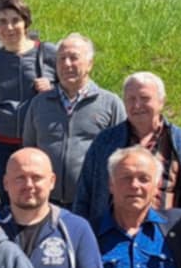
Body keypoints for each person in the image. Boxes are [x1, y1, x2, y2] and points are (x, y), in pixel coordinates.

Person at [73, 72, 181, 223]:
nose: (137, 105)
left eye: (145, 98)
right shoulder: (105, 142)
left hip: (170, 234)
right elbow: (84, 194)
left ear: (161, 101)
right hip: (114, 233)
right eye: (131, 99)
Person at [20, 34, 125, 208]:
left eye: (74, 58)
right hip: (47, 202)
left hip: (93, 202)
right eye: (61, 59)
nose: (67, 64)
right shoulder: (39, 103)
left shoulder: (110, 103)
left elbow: (123, 153)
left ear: (90, 64)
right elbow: (29, 149)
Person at [0, 0, 55, 197]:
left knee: (38, 198)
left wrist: (54, 87)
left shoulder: (49, 54)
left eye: (15, 20)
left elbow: (73, 87)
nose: (9, 27)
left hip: (39, 143)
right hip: (2, 145)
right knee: (9, 201)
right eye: (2, 21)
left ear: (26, 23)